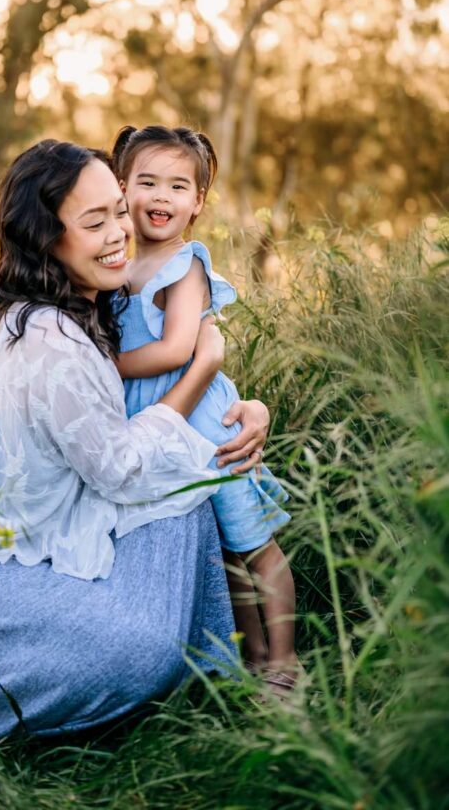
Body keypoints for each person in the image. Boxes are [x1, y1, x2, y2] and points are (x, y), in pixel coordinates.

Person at [0, 140, 271, 739]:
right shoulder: (51, 339)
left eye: (119, 210)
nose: (119, 231)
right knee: (145, 641)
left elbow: (135, 409)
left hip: (24, 543)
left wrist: (244, 405)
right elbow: (123, 468)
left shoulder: (75, 308)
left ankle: (197, 667)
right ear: (48, 239)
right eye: (94, 222)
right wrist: (202, 371)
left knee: (184, 485)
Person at [111, 125, 297, 692]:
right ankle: (254, 657)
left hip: (207, 429)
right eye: (147, 182)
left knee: (254, 546)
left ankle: (286, 663)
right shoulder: (118, 270)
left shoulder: (183, 265)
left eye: (177, 186)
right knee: (220, 553)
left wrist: (104, 364)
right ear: (121, 189)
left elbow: (176, 348)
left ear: (197, 204)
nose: (161, 197)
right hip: (162, 428)